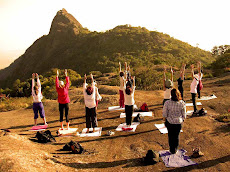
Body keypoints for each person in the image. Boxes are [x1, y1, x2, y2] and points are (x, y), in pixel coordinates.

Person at [163, 88, 186, 154]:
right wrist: (182, 120)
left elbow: (165, 114)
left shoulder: (167, 103)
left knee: (170, 136)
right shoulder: (182, 103)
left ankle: (171, 149)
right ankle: (175, 149)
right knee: (176, 136)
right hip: (178, 122)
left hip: (170, 122)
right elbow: (184, 114)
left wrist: (165, 121)